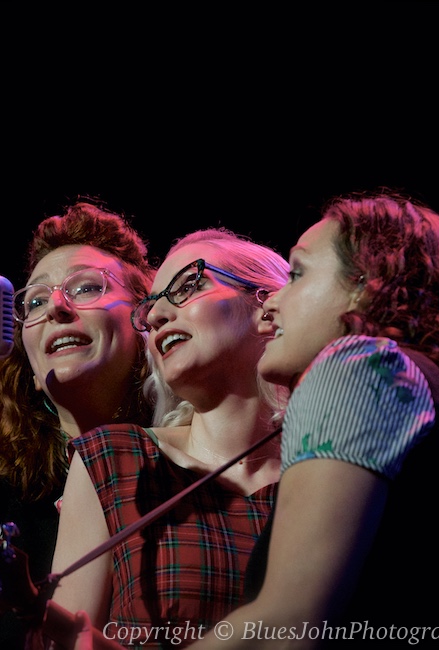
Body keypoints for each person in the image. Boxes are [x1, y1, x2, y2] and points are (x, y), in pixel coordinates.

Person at [186, 188, 439, 650]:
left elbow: (287, 628)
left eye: (296, 274)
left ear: (367, 283)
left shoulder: (359, 365)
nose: (269, 305)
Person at [0, 198, 157, 650]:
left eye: (84, 288)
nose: (56, 308)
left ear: (147, 321)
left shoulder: (194, 466)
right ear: (33, 373)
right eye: (35, 300)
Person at [47, 228, 291, 649]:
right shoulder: (115, 460)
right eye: (150, 307)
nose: (156, 316)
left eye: (190, 284)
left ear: (266, 304)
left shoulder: (329, 471)